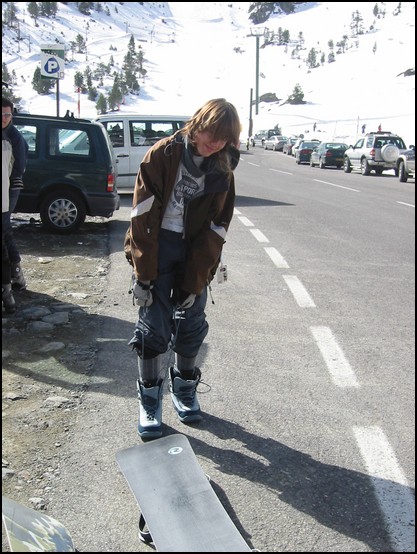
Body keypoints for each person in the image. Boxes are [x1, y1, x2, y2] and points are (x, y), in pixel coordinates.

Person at [124, 98, 241, 439]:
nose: (214, 142)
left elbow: (218, 227)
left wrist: (196, 280)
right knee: (152, 329)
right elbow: (141, 216)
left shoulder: (223, 168)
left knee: (191, 323)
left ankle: (184, 388)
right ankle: (149, 398)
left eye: (223, 137)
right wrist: (143, 274)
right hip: (157, 245)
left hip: (194, 250)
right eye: (210, 133)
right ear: (197, 122)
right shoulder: (162, 154)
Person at [2, 98, 29, 290]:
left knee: (4, 229)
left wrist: (10, 181)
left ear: (12, 115)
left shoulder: (14, 137)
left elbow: (19, 166)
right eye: (1, 114)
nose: (3, 118)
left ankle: (16, 274)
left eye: (7, 114)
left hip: (10, 188)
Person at [2, 100, 17, 313]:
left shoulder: (8, 143)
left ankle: (7, 294)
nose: (4, 118)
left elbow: (13, 169)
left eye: (6, 114)